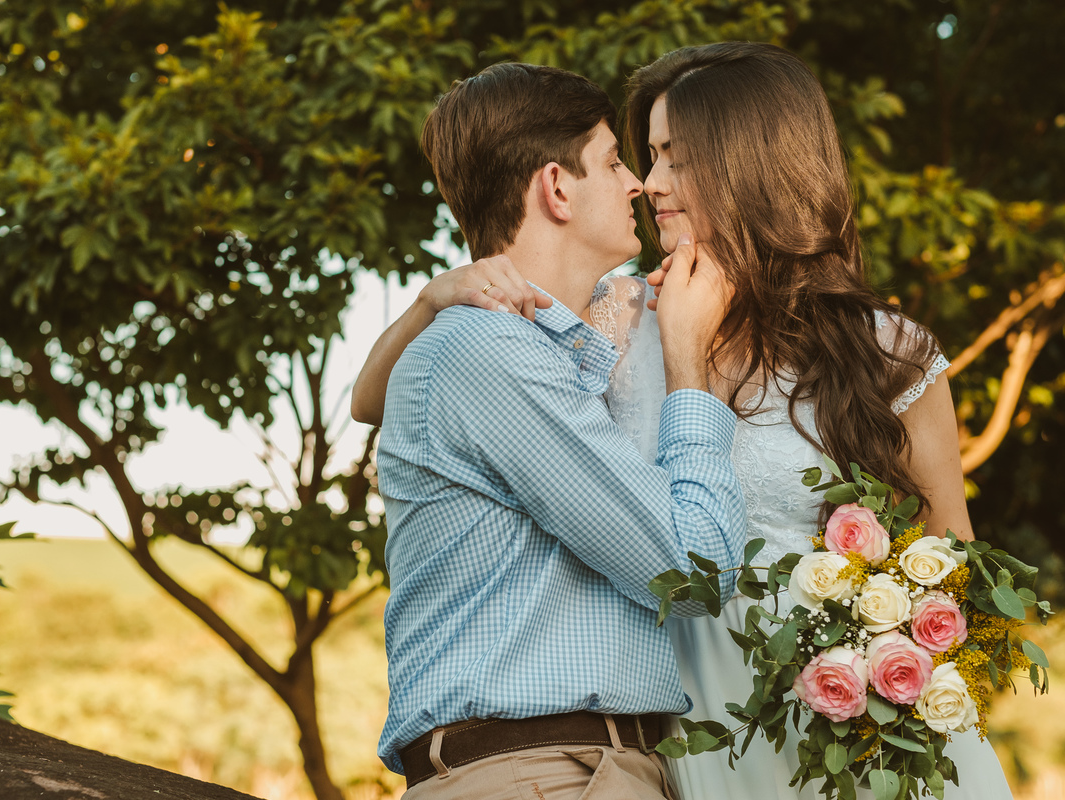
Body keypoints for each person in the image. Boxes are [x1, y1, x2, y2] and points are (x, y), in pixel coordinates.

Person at [356, 44, 1014, 800]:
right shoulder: (616, 316)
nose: (651, 184)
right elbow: (385, 402)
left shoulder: (886, 351)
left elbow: (956, 564)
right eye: (645, 156)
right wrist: (435, 298)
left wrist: (895, 673)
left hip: (862, 734)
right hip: (698, 737)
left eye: (678, 157)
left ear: (752, 165)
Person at [368, 61, 747, 799]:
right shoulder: (491, 354)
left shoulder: (522, 346)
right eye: (613, 160)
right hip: (545, 777)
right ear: (556, 187)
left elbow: (366, 400)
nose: (638, 182)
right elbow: (695, 573)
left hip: (573, 772)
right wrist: (689, 367)